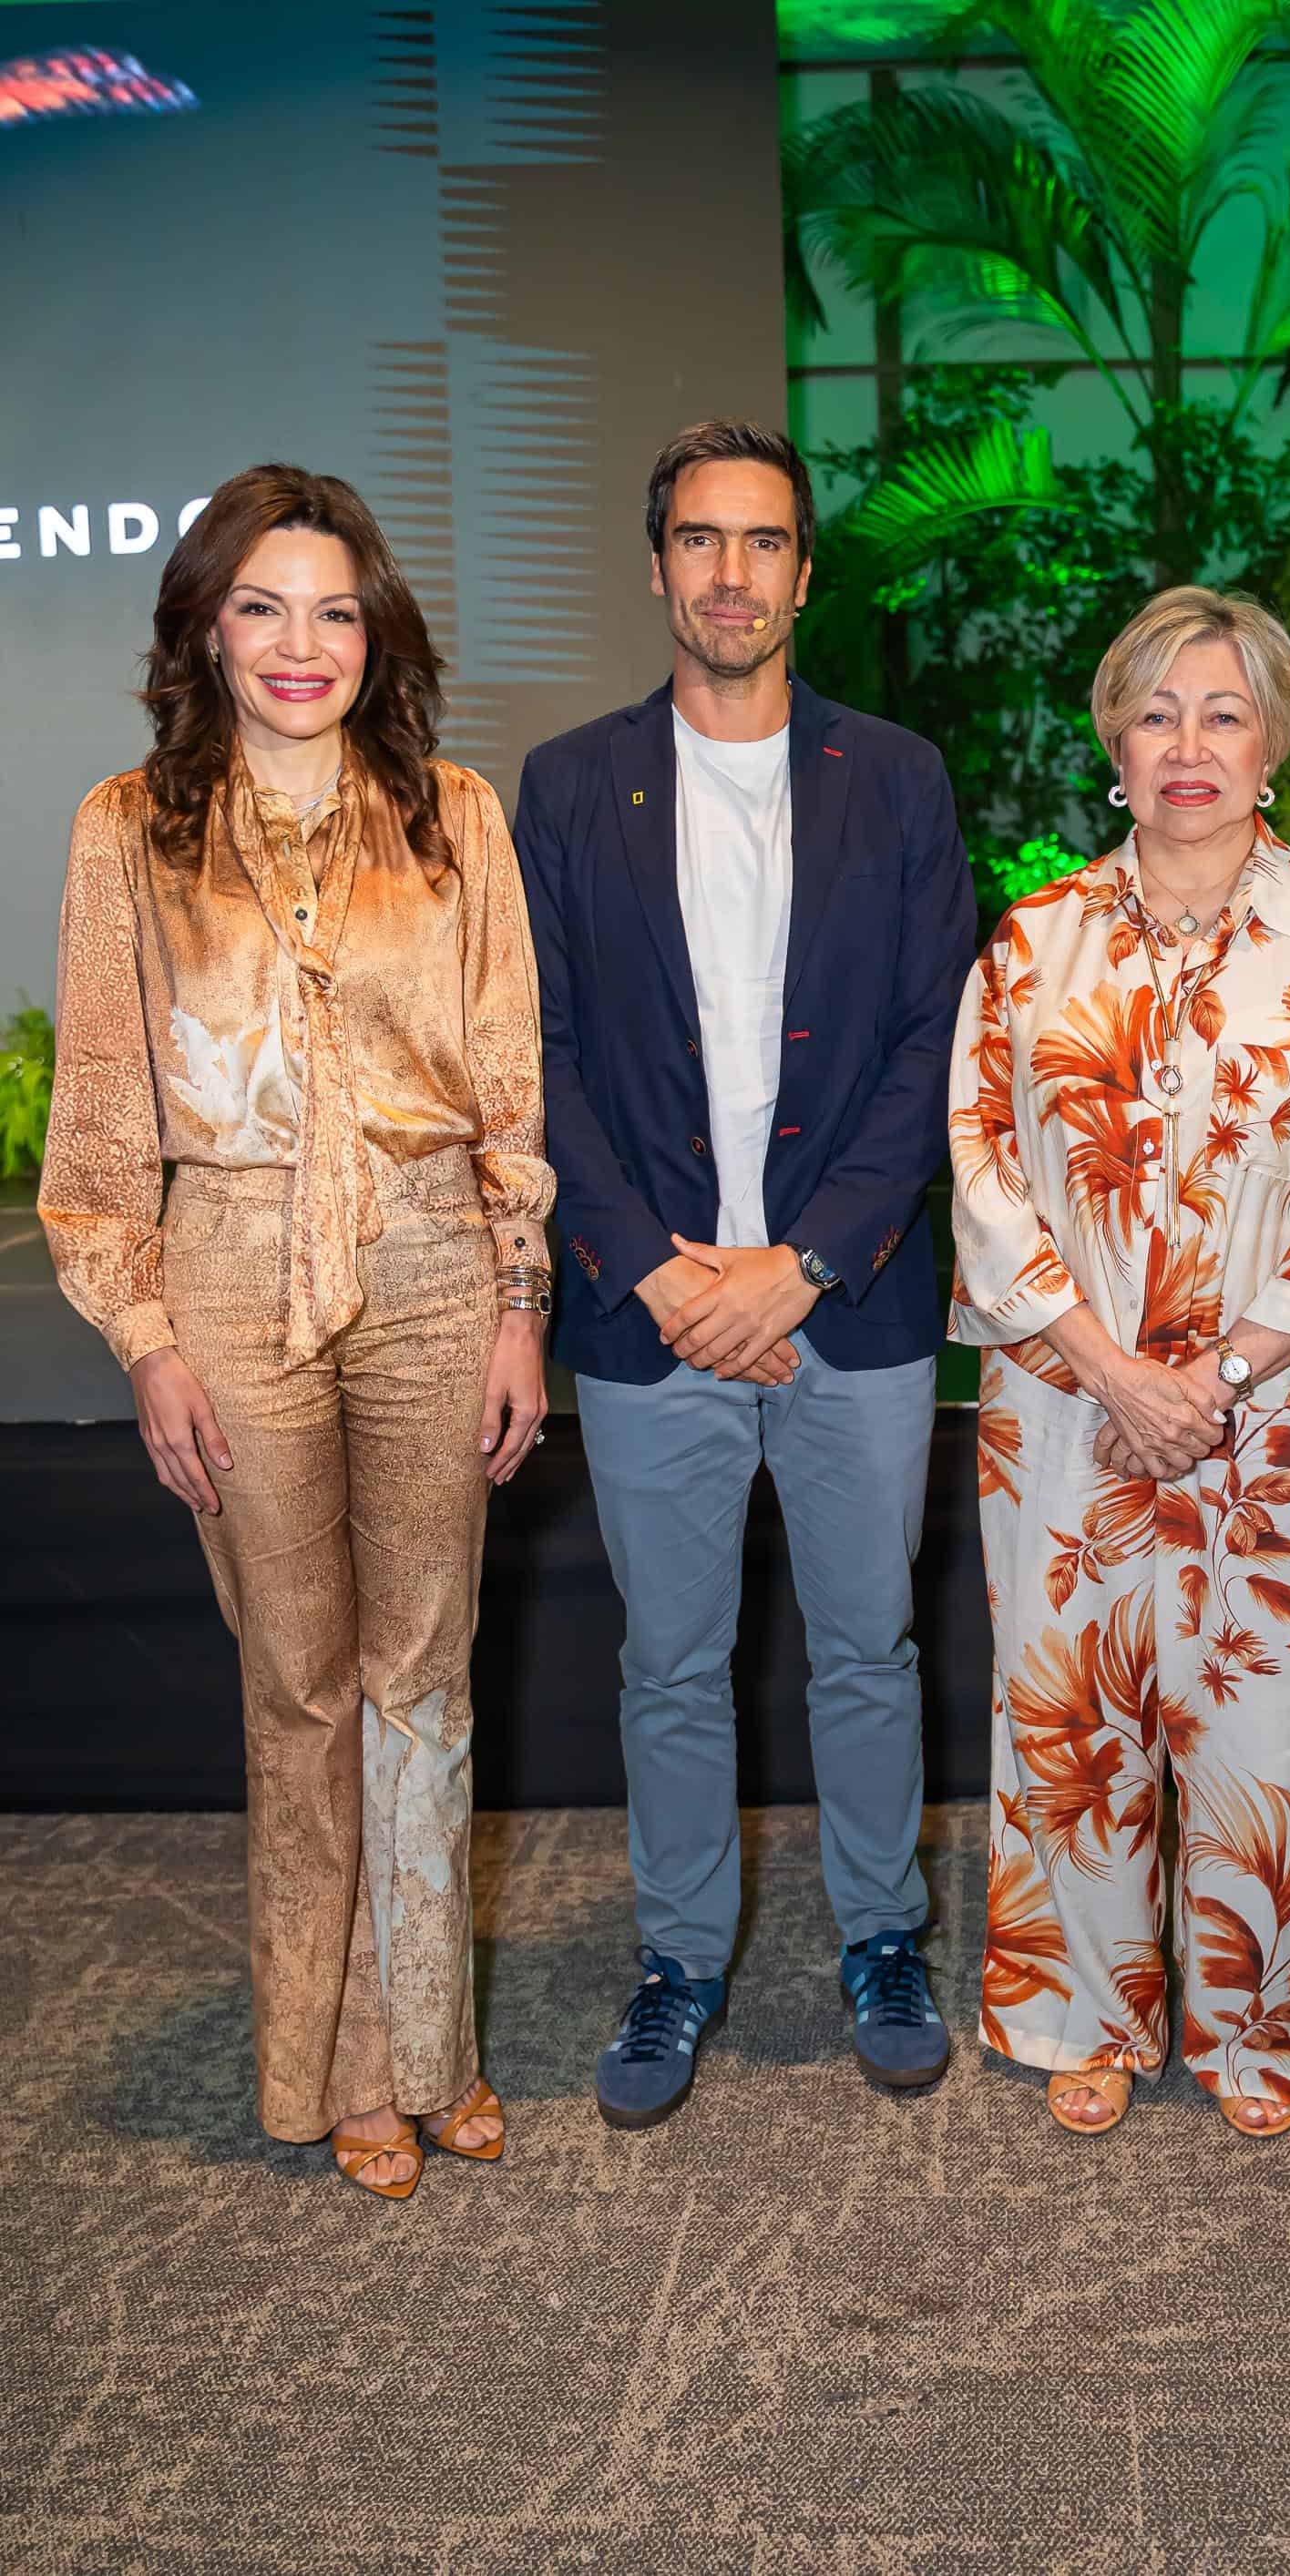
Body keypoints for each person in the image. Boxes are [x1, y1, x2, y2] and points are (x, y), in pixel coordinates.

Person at [38, 465, 555, 2198]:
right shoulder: (129, 828)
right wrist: (146, 1338)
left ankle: (433, 2051)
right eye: (260, 607)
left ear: (376, 634)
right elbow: (101, 1124)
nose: (299, 643)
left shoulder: (453, 814)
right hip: (230, 1266)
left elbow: (507, 1084)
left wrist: (519, 1303)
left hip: (432, 1266)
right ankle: (334, 2070)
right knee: (301, 1688)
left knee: (426, 1675)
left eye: (335, 611)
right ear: (205, 628)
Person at [948, 586, 1290, 2138]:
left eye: (1225, 713)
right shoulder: (1031, 944)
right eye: (1158, 714)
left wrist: (1218, 1377)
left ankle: (1262, 2023)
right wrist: (1115, 1370)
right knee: (1070, 1718)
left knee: (1268, 1736)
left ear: (1273, 743)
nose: (1190, 745)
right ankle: (1083, 2011)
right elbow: (981, 1167)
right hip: (1064, 1399)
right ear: (1113, 742)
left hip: (1278, 1413)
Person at [514, 418, 976, 2129]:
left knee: (868, 1650)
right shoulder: (567, 786)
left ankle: (881, 1938)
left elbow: (935, 1043)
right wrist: (653, 1271)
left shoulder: (897, 779)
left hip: (850, 1305)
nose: (731, 572)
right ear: (657, 568)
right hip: (650, 1315)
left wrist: (803, 1264)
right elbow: (539, 1053)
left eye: (763, 540)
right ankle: (679, 1958)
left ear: (804, 571)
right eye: (700, 540)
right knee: (669, 1664)